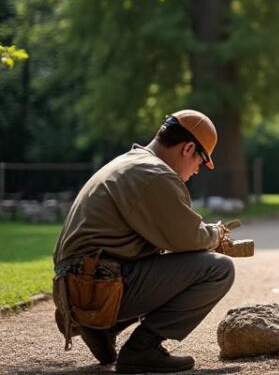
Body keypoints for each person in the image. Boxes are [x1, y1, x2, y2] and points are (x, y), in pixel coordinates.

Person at [52, 110, 236, 373]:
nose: (197, 171)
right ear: (188, 148)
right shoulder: (155, 173)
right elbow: (189, 238)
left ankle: (101, 327)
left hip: (75, 287)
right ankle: (142, 349)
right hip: (97, 284)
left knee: (156, 258)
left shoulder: (129, 162)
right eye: (201, 160)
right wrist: (215, 234)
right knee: (218, 270)